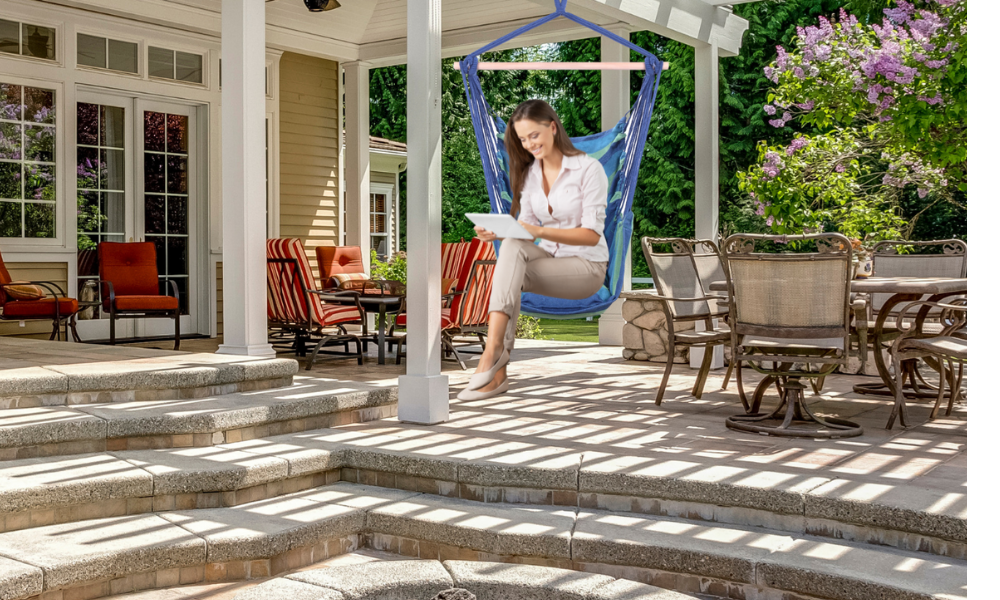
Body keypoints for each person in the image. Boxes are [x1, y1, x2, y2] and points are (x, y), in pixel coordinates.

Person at [459, 99, 609, 401]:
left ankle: (493, 359)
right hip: (549, 261)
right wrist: (497, 232)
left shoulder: (589, 170)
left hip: (586, 268)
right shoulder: (530, 175)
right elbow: (523, 230)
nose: (529, 144)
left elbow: (592, 235)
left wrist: (538, 231)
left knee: (511, 269)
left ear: (552, 127)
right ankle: (496, 363)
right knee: (512, 248)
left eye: (534, 136)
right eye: (523, 139)